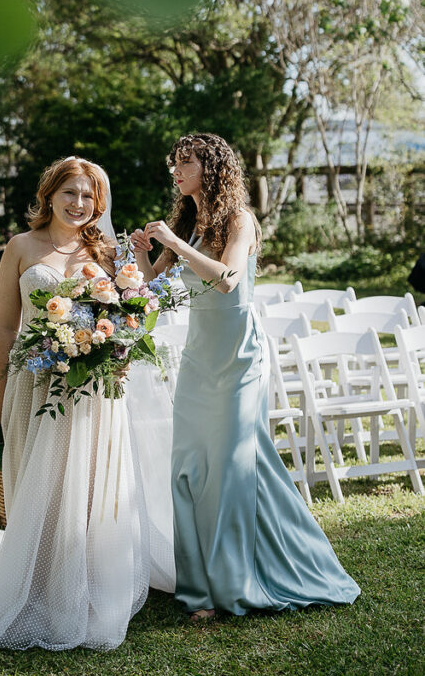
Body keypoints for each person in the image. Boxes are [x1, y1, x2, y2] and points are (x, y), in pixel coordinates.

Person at [131, 133, 360, 621]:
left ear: (210, 167)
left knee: (233, 469)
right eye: (175, 162)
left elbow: (228, 278)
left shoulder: (240, 220)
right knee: (189, 466)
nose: (176, 169)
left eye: (186, 162)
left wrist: (173, 243)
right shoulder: (188, 222)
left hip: (238, 358)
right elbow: (152, 283)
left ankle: (236, 584)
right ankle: (198, 591)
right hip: (198, 358)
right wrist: (142, 253)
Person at [0, 156, 174, 650]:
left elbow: (139, 306)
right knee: (35, 485)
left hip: (92, 389)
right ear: (49, 195)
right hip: (33, 385)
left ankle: (84, 593)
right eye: (70, 193)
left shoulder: (106, 252)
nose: (80, 204)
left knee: (86, 489)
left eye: (89, 197)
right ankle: (35, 591)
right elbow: (5, 328)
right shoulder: (20, 248)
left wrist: (122, 342)